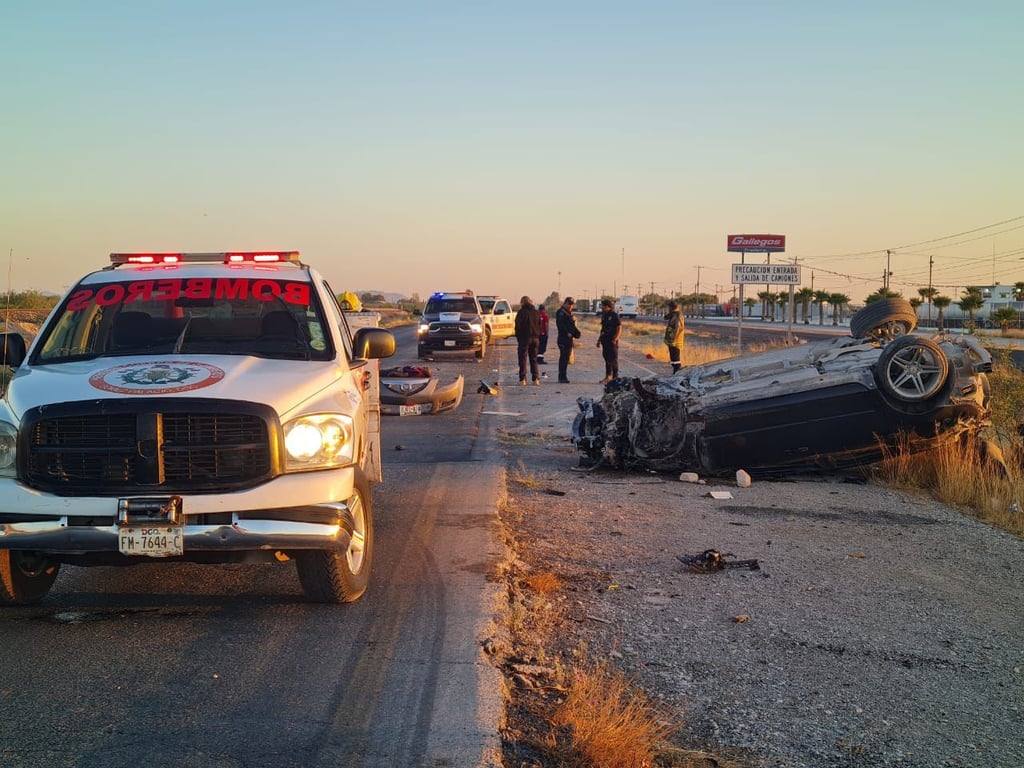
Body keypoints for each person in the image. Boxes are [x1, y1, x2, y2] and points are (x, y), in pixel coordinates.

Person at [514, 295, 542, 386]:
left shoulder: (521, 312)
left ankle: (522, 379)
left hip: (524, 338)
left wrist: (518, 337)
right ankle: (535, 379)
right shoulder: (536, 312)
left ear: (522, 303)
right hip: (535, 338)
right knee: (534, 359)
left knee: (523, 359)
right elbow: (540, 325)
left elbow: (517, 327)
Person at [555, 296, 581, 384]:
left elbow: (572, 326)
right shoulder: (561, 313)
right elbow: (560, 325)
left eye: (572, 305)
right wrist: (567, 333)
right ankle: (562, 377)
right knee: (563, 358)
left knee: (566, 358)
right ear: (565, 303)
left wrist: (576, 333)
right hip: (563, 338)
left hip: (568, 339)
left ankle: (563, 376)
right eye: (569, 304)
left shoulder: (568, 313)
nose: (570, 306)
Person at [596, 298, 621, 382]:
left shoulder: (614, 315)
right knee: (607, 359)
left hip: (612, 341)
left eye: (603, 306)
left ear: (608, 307)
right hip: (605, 341)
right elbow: (602, 329)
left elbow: (619, 328)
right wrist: (599, 340)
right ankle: (608, 376)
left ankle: (615, 378)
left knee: (613, 359)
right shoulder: (604, 316)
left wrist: (616, 339)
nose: (602, 308)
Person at [664, 300, 685, 373]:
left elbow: (677, 328)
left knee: (675, 356)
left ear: (671, 307)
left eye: (669, 307)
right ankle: (675, 370)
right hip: (672, 339)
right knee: (673, 356)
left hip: (675, 339)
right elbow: (666, 317)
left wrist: (673, 338)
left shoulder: (677, 315)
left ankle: (677, 371)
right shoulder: (674, 314)